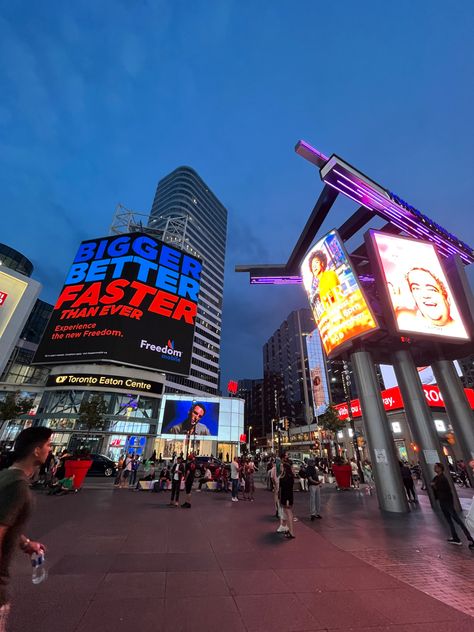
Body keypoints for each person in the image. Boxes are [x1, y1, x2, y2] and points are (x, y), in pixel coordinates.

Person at [0, 427, 52, 631]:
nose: (50, 449)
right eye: (48, 445)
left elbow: (5, 518)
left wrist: (26, 543)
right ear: (36, 450)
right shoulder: (17, 486)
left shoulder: (6, 475)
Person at [431, 462, 474, 548]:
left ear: (440, 468)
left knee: (457, 520)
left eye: (436, 467)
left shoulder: (442, 478)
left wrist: (434, 486)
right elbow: (433, 485)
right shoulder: (437, 478)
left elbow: (441, 488)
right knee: (449, 520)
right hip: (443, 500)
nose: (434, 468)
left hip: (446, 501)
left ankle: (470, 538)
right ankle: (455, 537)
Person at [279, 461, 295, 539]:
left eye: (282, 467)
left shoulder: (284, 478)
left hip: (286, 497)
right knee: (288, 512)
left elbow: (283, 487)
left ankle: (291, 531)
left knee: (288, 513)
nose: (281, 468)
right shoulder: (290, 476)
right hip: (288, 496)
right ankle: (288, 528)